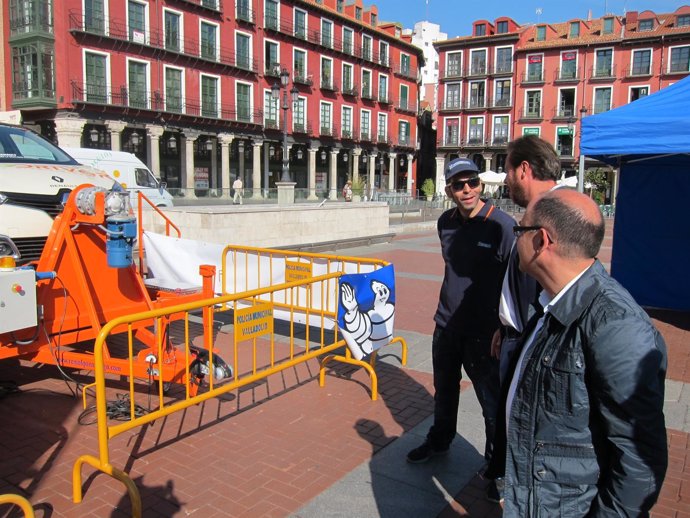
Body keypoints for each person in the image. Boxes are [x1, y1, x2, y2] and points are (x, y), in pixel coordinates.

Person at [489, 189, 667, 517]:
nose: (516, 240)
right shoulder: (550, 303)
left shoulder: (616, 324)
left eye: (520, 231)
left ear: (541, 241)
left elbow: (639, 465)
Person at [406, 158, 515, 465]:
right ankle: (440, 441)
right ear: (449, 190)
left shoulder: (501, 225)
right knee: (444, 391)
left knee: (491, 403)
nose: (467, 190)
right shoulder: (446, 223)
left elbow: (514, 280)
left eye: (473, 182)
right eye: (459, 185)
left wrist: (504, 326)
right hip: (447, 325)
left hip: (484, 333)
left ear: (480, 185)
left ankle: (498, 467)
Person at [491, 135, 561, 386]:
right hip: (518, 335)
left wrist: (522, 335)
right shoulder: (543, 209)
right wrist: (507, 326)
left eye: (507, 170)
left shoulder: (553, 215)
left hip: (531, 345)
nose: (506, 180)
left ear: (523, 169)